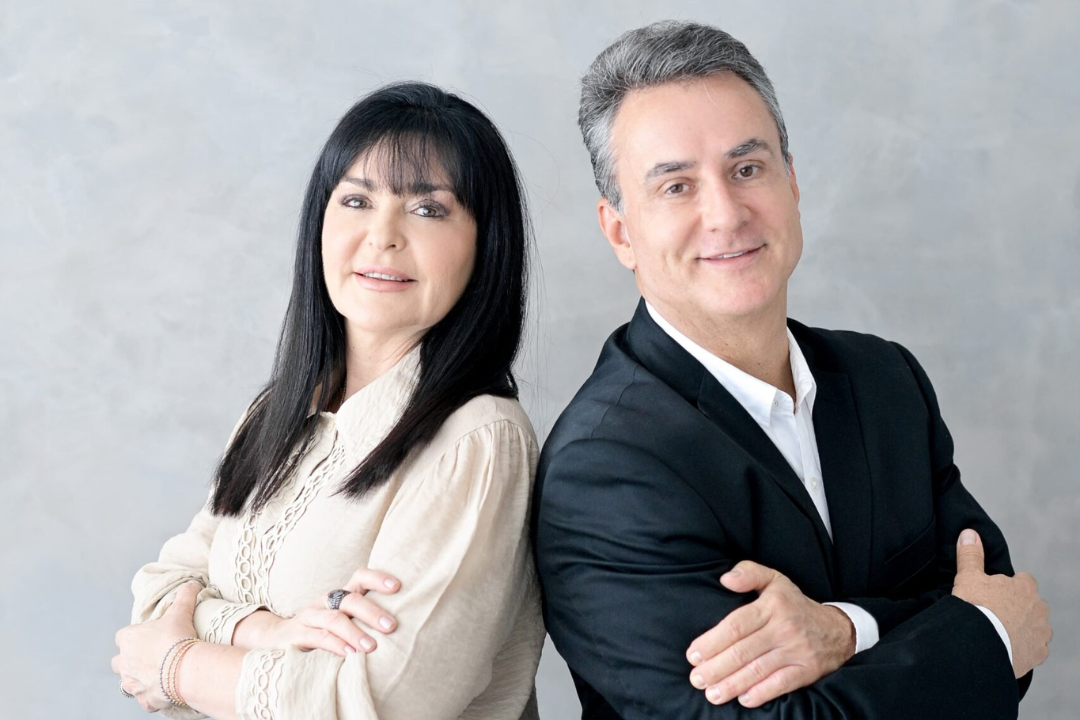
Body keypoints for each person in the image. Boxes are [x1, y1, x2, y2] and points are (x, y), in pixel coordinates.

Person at [533, 20, 1052, 720]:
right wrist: (973, 639)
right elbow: (992, 637)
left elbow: (1009, 611)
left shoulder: (886, 380)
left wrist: (842, 631)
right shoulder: (603, 470)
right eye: (677, 186)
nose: (725, 214)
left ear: (793, 181)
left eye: (748, 169)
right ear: (620, 231)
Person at [111, 82, 544, 720]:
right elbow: (157, 593)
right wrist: (269, 632)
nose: (382, 236)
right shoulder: (277, 414)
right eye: (357, 200)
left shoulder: (477, 440)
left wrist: (175, 666)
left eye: (428, 209)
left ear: (486, 244)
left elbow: (381, 704)